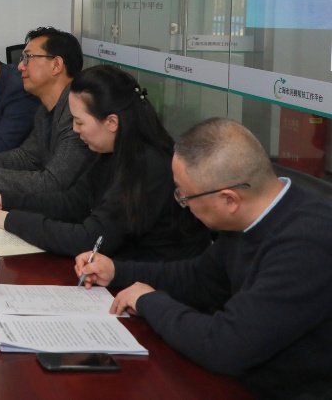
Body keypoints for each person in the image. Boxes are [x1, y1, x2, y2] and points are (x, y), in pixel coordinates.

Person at [76, 118, 332, 400]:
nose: (182, 204)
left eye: (185, 196)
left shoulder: (306, 245)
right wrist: (117, 271)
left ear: (229, 200)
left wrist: (149, 301)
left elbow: (225, 345)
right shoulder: (250, 215)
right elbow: (199, 278)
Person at [0, 65, 209, 260]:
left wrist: (11, 220)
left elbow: (90, 238)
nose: (75, 130)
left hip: (148, 283)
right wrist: (8, 201)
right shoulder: (111, 151)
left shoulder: (147, 165)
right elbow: (73, 202)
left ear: (112, 122)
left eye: (79, 122)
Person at [0, 26, 94, 196]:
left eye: (28, 58)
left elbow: (53, 182)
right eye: (22, 59)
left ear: (56, 65)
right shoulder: (45, 109)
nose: (20, 66)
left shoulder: (77, 114)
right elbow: (26, 157)